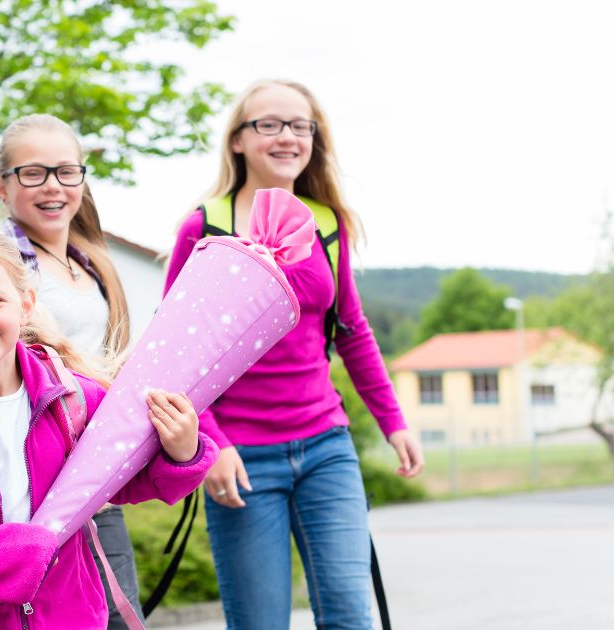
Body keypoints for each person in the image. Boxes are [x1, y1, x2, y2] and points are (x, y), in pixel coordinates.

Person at [164, 79, 425, 629]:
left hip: (326, 446)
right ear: (238, 140)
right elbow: (174, 351)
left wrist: (393, 421)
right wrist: (213, 444)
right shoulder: (205, 226)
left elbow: (351, 329)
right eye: (270, 124)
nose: (288, 137)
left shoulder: (327, 222)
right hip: (243, 458)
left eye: (300, 126)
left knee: (350, 618)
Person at [0, 213, 215, 628]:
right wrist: (8, 559)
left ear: (26, 305)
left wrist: (182, 453)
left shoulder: (74, 398)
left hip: (70, 615)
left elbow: (123, 480)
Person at [0, 113, 145, 627]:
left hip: (98, 483)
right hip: (37, 489)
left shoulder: (92, 263)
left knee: (120, 618)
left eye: (66, 172)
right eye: (32, 173)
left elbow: (113, 357)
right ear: (2, 185)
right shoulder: (2, 265)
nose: (52, 186)